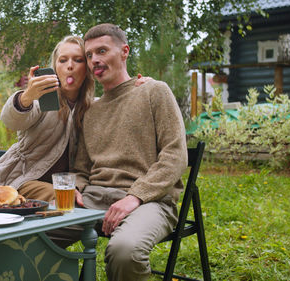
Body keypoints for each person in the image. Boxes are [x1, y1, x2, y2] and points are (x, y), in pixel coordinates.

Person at [73, 23, 188, 281]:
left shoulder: (154, 91)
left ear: (124, 51)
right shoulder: (91, 110)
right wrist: (76, 189)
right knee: (36, 232)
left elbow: (175, 157)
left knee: (126, 251)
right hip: (93, 199)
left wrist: (135, 196)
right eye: (89, 55)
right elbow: (81, 168)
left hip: (149, 201)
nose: (94, 61)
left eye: (102, 51)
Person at [0, 35, 151, 202]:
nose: (70, 66)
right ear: (55, 67)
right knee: (66, 199)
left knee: (83, 199)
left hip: (69, 184)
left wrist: (140, 89)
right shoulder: (42, 101)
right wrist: (26, 97)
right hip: (22, 180)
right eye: (63, 60)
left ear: (87, 68)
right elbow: (11, 121)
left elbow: (119, 106)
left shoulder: (93, 107)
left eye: (78, 60)